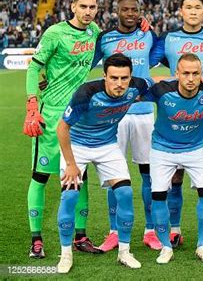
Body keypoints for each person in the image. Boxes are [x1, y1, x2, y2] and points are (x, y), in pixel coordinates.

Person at [23, 0, 102, 258]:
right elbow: (34, 66)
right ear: (72, 7)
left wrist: (140, 29)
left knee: (79, 177)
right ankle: (36, 240)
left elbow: (110, 48)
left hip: (79, 116)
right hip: (51, 114)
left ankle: (80, 236)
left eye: (93, 7)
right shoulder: (55, 33)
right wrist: (32, 103)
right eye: (84, 7)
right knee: (41, 176)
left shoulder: (95, 33)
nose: (88, 12)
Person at [56, 53, 151, 273]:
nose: (119, 84)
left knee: (125, 194)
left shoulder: (138, 86)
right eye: (114, 78)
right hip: (77, 146)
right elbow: (62, 128)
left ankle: (125, 252)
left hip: (107, 145)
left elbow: (160, 90)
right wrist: (71, 164)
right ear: (104, 76)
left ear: (131, 77)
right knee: (70, 195)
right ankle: (66, 254)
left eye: (124, 78)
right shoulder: (86, 93)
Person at [152, 0, 203, 249]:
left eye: (198, 7)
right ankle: (175, 230)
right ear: (180, 11)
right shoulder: (169, 38)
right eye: (188, 7)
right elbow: (151, 61)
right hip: (177, 115)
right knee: (175, 177)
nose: (193, 11)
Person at [92, 0, 162, 252]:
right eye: (125, 10)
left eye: (134, 10)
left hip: (144, 112)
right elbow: (84, 64)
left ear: (140, 12)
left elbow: (158, 55)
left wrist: (151, 29)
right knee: (114, 175)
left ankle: (150, 230)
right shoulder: (105, 38)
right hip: (114, 114)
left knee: (148, 174)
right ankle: (114, 231)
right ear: (117, 12)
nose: (130, 14)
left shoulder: (148, 35)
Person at [145, 53, 203, 264]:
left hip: (196, 149)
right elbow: (132, 95)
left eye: (195, 73)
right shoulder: (161, 90)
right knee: (159, 196)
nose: (190, 78)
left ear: (202, 75)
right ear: (176, 74)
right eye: (186, 73)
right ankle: (165, 247)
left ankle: (201, 245)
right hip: (162, 149)